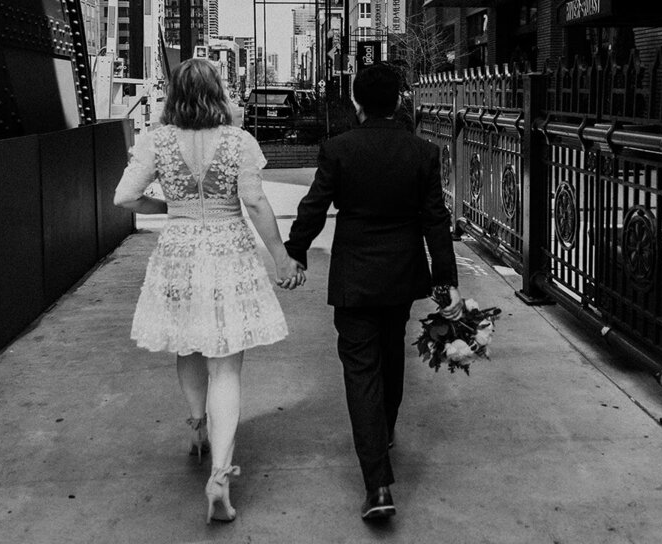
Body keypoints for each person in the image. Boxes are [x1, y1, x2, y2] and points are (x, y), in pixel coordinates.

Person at [113, 58, 303, 525]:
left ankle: (197, 429)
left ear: (175, 94)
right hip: (228, 252)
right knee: (227, 364)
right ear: (218, 92)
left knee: (188, 342)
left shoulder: (155, 141)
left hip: (178, 250)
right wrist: (280, 256)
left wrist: (169, 205)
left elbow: (124, 197)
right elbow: (255, 201)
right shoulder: (238, 141)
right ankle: (220, 474)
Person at [283, 62, 462, 521]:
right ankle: (383, 433)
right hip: (401, 275)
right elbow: (435, 220)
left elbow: (315, 205)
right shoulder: (422, 152)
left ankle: (378, 484)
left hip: (355, 277)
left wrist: (296, 250)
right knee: (391, 354)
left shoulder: (338, 149)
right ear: (399, 101)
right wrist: (445, 281)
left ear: (357, 103)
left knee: (361, 370)